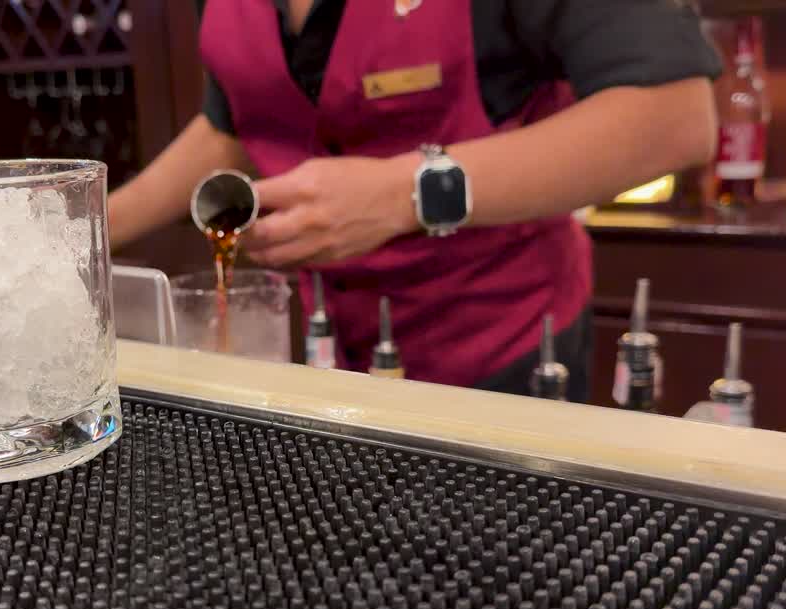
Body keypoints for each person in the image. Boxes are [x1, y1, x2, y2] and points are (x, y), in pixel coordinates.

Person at [108, 0, 721, 401]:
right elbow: (238, 121)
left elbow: (674, 117)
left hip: (500, 349)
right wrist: (88, 226)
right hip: (336, 352)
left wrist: (405, 194)